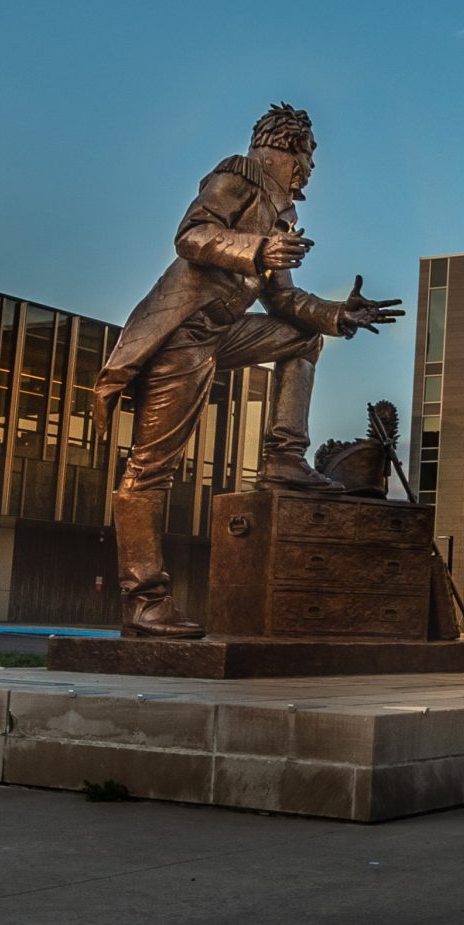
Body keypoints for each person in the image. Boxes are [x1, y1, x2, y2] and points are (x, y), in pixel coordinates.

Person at [92, 103, 402, 638]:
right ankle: (144, 601)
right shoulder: (237, 174)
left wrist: (335, 315)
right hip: (180, 337)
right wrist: (258, 248)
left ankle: (284, 457)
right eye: (308, 158)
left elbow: (283, 305)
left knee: (304, 335)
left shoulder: (282, 217)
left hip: (220, 334)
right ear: (290, 149)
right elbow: (191, 235)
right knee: (148, 472)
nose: (309, 173)